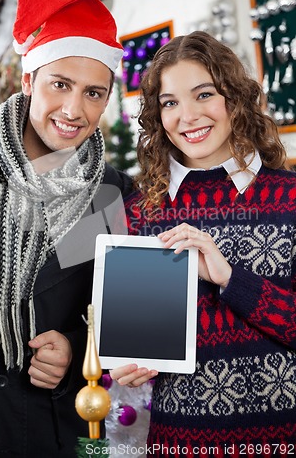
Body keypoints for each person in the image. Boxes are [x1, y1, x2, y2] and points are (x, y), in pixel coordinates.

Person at [0, 0, 132, 457]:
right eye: (60, 84)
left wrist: (77, 351)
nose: (74, 111)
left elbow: (122, 318)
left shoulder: (113, 196)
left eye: (93, 93)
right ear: (28, 80)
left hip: (51, 431)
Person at [110, 31, 296, 456]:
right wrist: (130, 364)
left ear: (236, 98)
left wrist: (231, 278)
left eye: (204, 94)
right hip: (180, 440)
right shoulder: (139, 213)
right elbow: (131, 338)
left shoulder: (290, 197)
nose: (188, 116)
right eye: (170, 102)